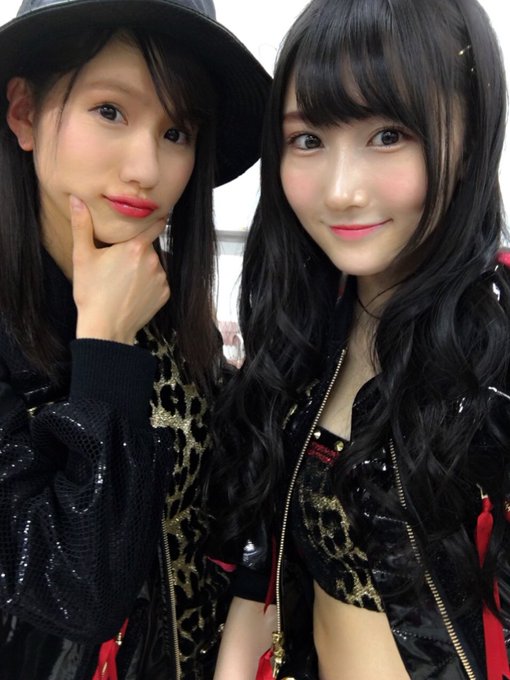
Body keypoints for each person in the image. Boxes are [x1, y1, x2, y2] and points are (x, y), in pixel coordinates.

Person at [209, 0, 510, 678]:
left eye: (388, 134)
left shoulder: (495, 364)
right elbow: (265, 568)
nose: (341, 191)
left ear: (470, 135)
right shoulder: (302, 337)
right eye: (308, 140)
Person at [0, 0, 270, 678]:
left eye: (176, 131)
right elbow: (73, 594)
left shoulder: (166, 304)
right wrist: (105, 346)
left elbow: (234, 493)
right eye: (110, 111)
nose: (147, 167)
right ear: (25, 113)